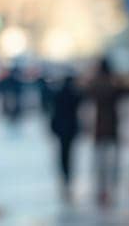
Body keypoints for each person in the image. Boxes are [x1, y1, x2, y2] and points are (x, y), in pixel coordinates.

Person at [86, 57, 129, 208]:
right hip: (112, 127)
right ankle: (111, 188)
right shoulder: (113, 84)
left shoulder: (96, 84)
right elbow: (127, 91)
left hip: (100, 128)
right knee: (112, 162)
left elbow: (87, 92)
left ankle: (102, 188)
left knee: (100, 163)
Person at [48, 73, 82, 202]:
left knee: (63, 153)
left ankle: (65, 174)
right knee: (69, 153)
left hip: (62, 129)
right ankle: (68, 174)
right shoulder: (74, 95)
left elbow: (54, 111)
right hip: (71, 129)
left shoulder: (59, 94)